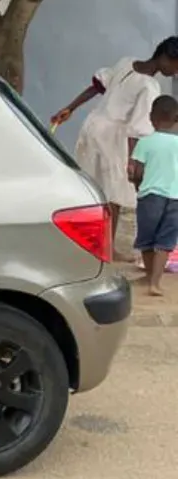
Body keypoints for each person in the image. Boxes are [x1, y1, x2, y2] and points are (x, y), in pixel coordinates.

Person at [50, 38, 178, 250]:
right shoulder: (149, 86)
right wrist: (133, 161)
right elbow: (136, 128)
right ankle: (106, 249)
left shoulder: (127, 62)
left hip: (93, 128)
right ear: (166, 58)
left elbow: (97, 87)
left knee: (93, 187)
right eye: (176, 66)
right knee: (113, 197)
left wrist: (70, 108)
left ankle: (92, 243)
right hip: (113, 138)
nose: (175, 73)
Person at [128, 94, 178, 295]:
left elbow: (137, 173)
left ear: (151, 117)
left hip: (150, 197)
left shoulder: (145, 143)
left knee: (147, 240)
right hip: (176, 198)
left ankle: (149, 276)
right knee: (165, 242)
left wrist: (136, 185)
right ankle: (155, 283)